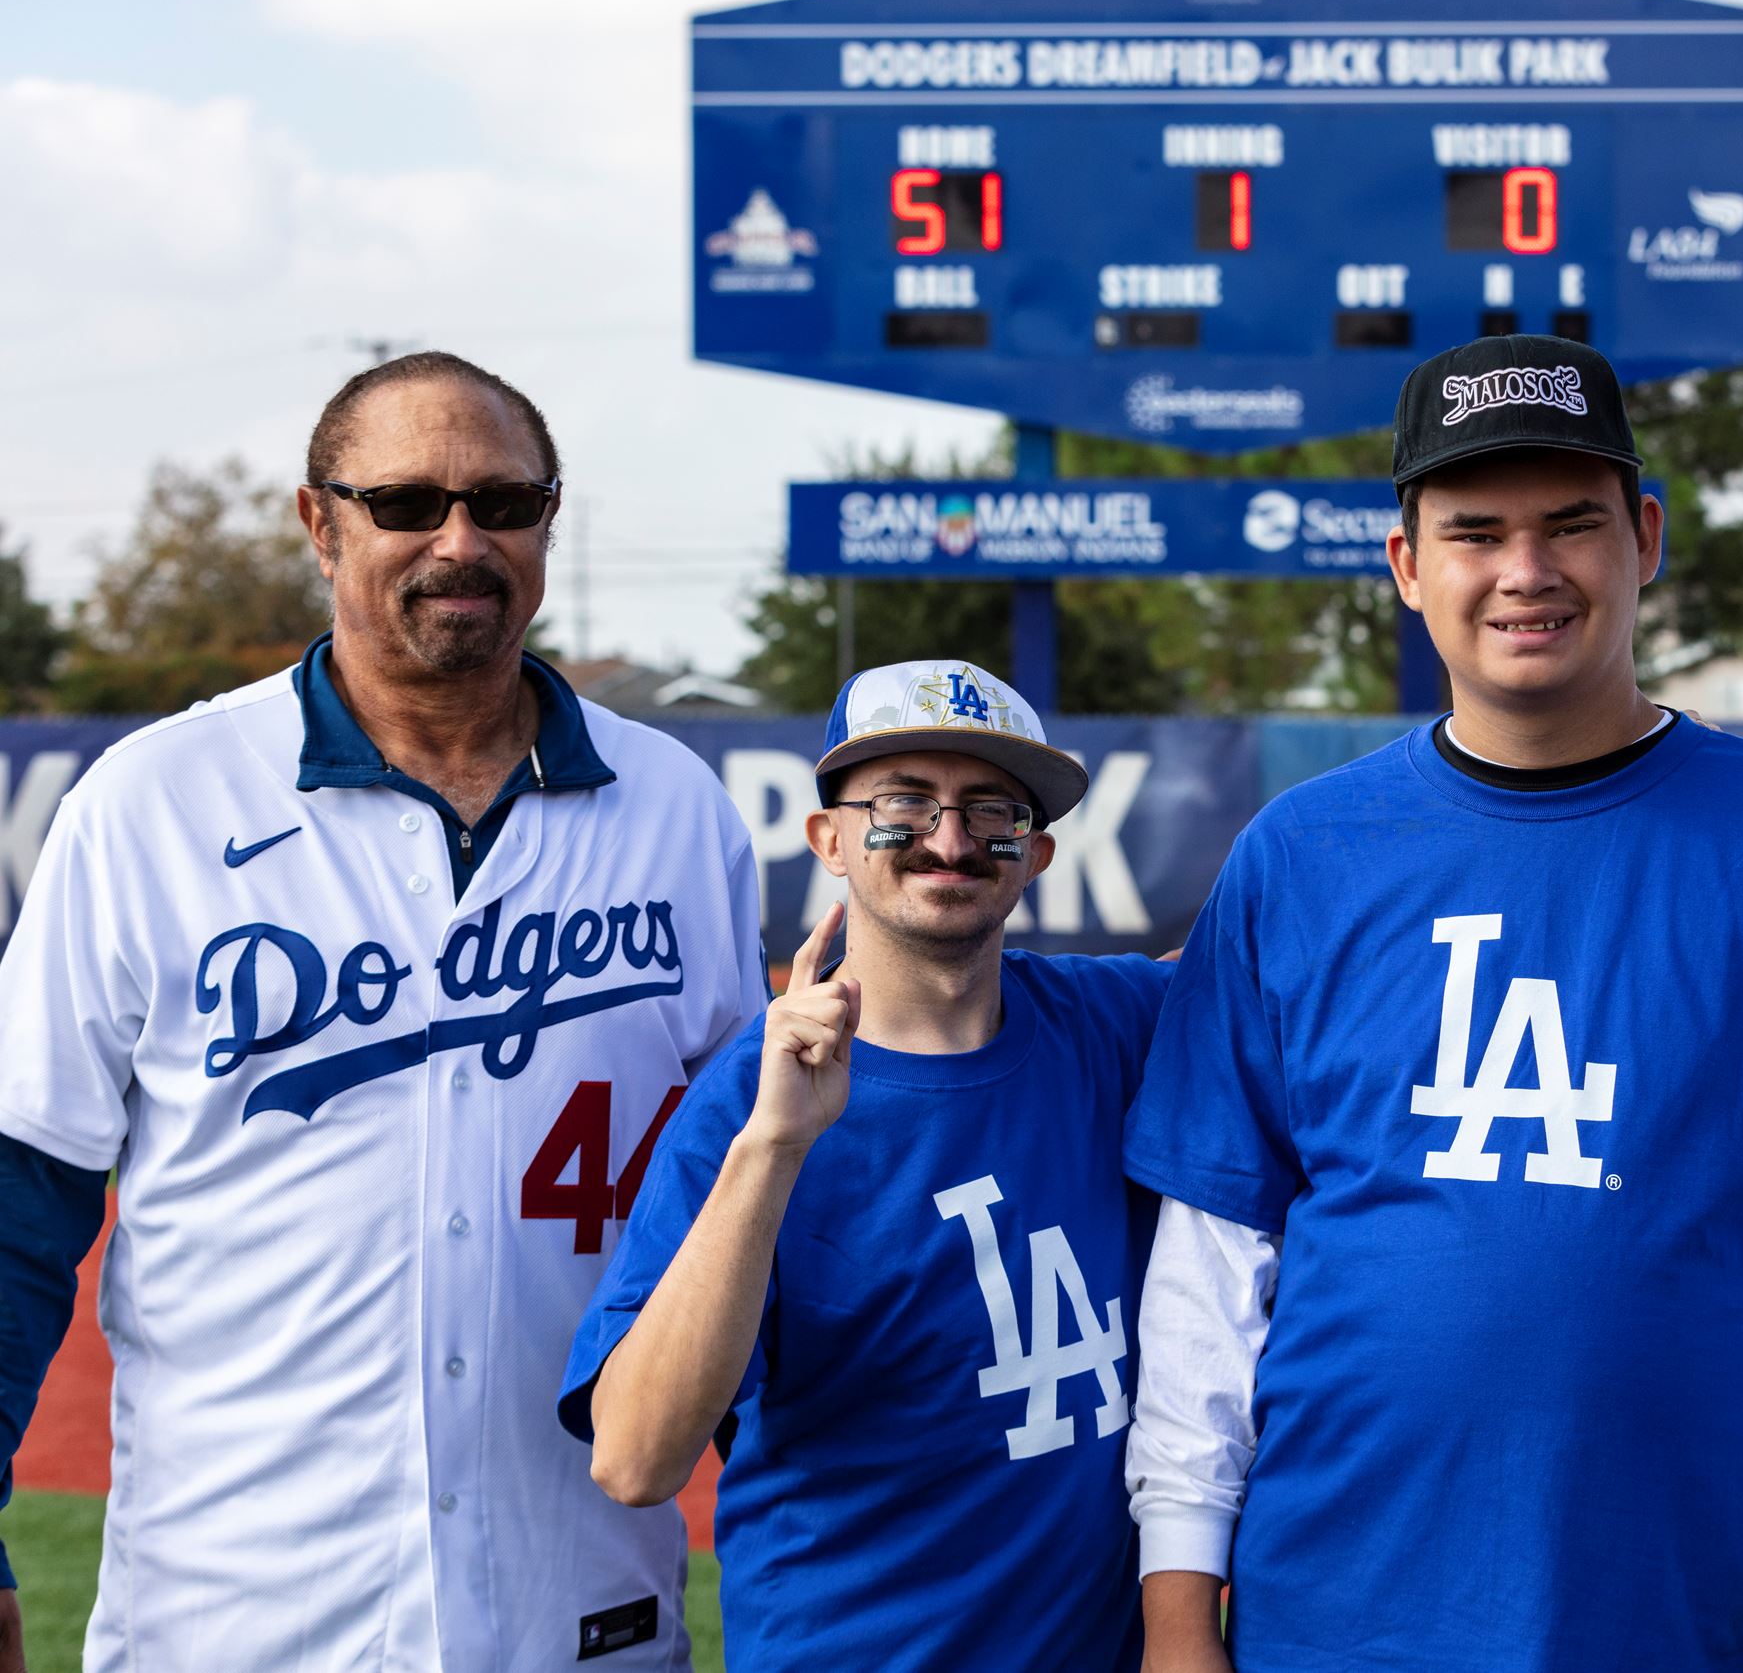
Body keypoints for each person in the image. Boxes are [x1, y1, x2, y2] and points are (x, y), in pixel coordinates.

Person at [1125, 336, 1743, 1672]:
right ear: (1407, 565)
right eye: (1474, 532)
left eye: (1572, 523)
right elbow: (1214, 1277)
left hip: (1692, 1610)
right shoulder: (1298, 857)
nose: (1527, 572)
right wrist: (1179, 1613)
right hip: (1338, 1613)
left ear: (1644, 536)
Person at [0, 351, 769, 1672]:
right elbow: (21, 1195)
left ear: (548, 520)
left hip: (583, 1604)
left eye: (505, 502)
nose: (460, 540)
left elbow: (749, 1216)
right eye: (407, 501)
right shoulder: (155, 803)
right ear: (321, 522)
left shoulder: (676, 812)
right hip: (233, 1613)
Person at [562, 660, 1171, 1673]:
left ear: (1040, 852)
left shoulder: (1115, 1021)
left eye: (993, 811)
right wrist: (774, 1146)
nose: (948, 839)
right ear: (828, 839)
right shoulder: (746, 1104)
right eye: (902, 804)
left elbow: (1299, 964)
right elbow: (633, 1456)